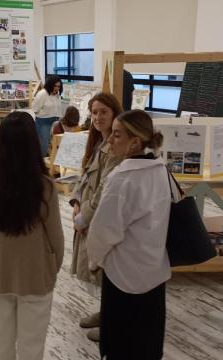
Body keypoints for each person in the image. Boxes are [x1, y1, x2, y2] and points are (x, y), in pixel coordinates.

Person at [87, 109, 174, 360]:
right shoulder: (160, 170)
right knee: (147, 339)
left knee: (122, 342)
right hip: (154, 267)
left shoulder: (122, 179)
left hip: (123, 273)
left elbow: (104, 231)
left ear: (135, 142)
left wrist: (94, 260)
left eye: (116, 135)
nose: (109, 140)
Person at [0, 111, 64, 360]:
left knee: (1, 341)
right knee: (32, 345)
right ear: (32, 144)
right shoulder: (44, 186)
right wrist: (52, 268)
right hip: (35, 274)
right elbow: (56, 237)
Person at [68, 92, 123, 342]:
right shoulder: (98, 143)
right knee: (99, 267)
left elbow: (106, 188)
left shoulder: (117, 146)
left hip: (104, 218)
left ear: (114, 114)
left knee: (109, 268)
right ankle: (106, 313)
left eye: (104, 112)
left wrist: (84, 217)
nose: (98, 117)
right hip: (91, 215)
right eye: (94, 112)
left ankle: (113, 321)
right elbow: (85, 175)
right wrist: (77, 202)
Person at [33, 75, 63, 156]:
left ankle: (51, 164)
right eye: (55, 86)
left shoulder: (57, 95)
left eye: (58, 86)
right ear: (50, 85)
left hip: (56, 122)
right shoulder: (42, 94)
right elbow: (34, 109)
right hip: (43, 122)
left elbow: (58, 109)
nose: (57, 88)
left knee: (55, 145)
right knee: (44, 146)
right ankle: (41, 165)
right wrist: (45, 114)